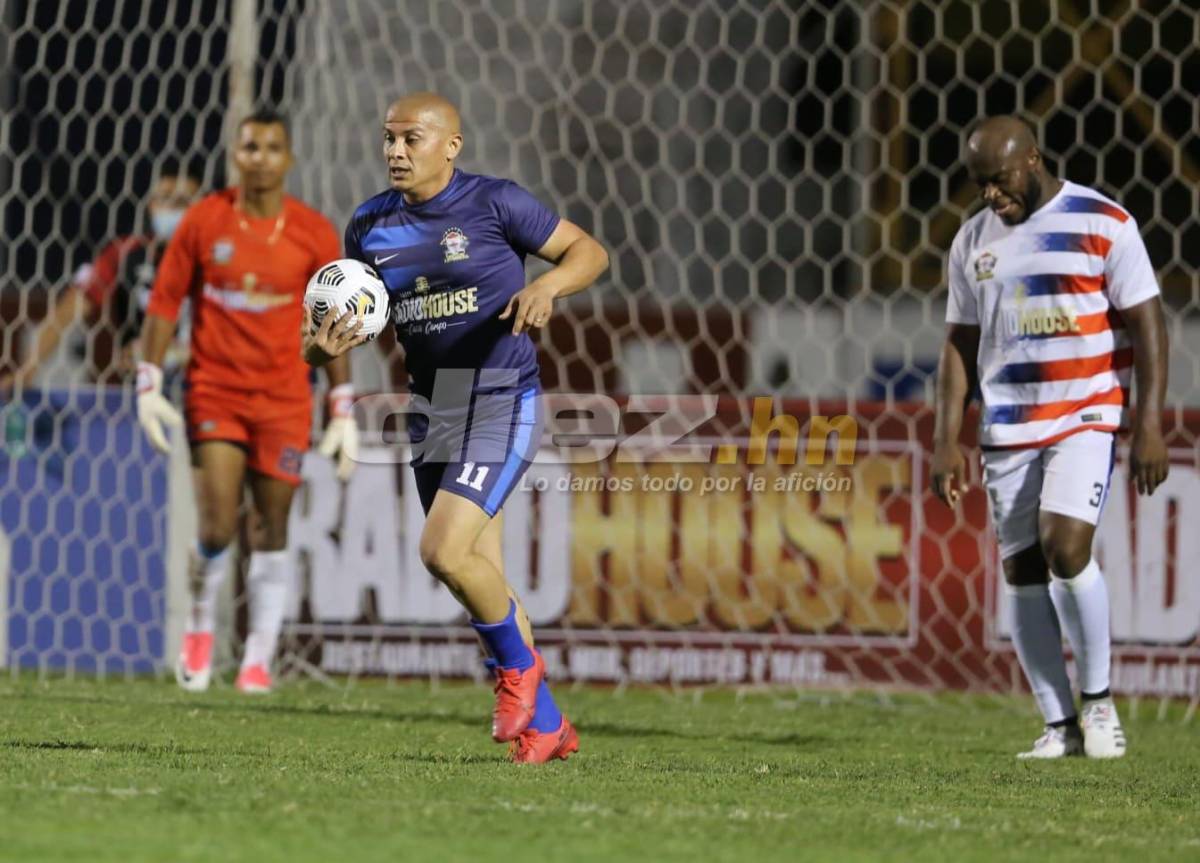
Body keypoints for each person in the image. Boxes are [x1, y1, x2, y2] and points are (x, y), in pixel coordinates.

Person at [303, 92, 608, 763]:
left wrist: (548, 288)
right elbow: (344, 327)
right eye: (388, 138)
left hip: (502, 396)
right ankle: (549, 724)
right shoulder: (368, 227)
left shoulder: (497, 204)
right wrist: (320, 353)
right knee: (477, 570)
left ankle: (519, 674)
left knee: (441, 550)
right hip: (434, 405)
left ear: (451, 145)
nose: (395, 151)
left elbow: (589, 251)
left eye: (411, 138)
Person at [932, 116, 1169, 759]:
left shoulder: (1103, 222)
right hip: (1008, 422)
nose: (990, 195)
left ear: (1032, 159)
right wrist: (945, 439)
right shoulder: (972, 241)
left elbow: (1148, 324)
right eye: (979, 184)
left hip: (1085, 412)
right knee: (1022, 570)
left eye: (1000, 180)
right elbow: (959, 341)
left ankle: (1098, 706)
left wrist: (1147, 424)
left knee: (1066, 548)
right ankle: (1059, 725)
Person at [138, 109, 358, 694]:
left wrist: (342, 402)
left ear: (288, 159)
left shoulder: (313, 232)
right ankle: (201, 625)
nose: (259, 156)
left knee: (273, 523)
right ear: (235, 155)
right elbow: (164, 301)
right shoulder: (205, 221)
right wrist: (148, 380)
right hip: (215, 390)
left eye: (271, 147)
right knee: (216, 523)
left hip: (286, 399)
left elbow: (335, 318)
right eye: (250, 146)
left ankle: (258, 656)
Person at [0, 162, 201, 392]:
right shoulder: (125, 253)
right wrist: (28, 370)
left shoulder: (215, 259)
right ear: (151, 205)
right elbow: (69, 309)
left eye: (182, 202)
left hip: (205, 385)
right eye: (165, 198)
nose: (173, 209)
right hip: (141, 389)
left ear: (200, 208)